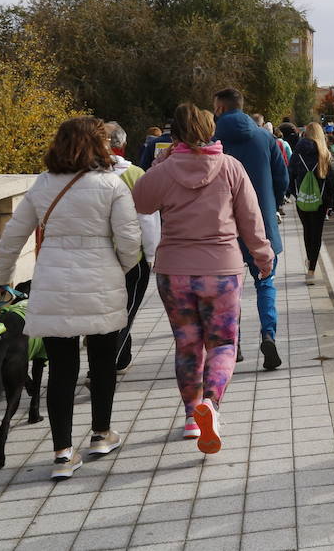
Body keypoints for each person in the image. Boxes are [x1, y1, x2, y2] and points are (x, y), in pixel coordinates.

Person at [0, 117, 141, 479]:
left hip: (53, 279)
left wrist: (1, 280)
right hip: (101, 277)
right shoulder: (111, 185)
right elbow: (131, 240)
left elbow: (13, 236)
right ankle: (102, 434)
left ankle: (62, 453)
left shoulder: (42, 185)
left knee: (61, 369)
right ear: (98, 145)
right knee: (103, 361)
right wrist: (118, 268)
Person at [134, 104, 275, 453]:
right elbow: (251, 220)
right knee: (224, 343)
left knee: (187, 345)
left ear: (175, 134)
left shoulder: (165, 171)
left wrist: (159, 164)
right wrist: (263, 256)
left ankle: (189, 419)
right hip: (222, 270)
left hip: (174, 271)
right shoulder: (230, 168)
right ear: (210, 130)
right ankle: (210, 403)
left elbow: (140, 201)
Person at [211, 89, 289, 371]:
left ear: (219, 108)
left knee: (230, 289)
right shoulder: (265, 137)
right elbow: (282, 177)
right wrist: (274, 203)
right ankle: (268, 334)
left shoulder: (211, 141)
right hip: (262, 223)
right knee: (265, 282)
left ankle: (235, 343)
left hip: (225, 226)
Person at [104, 122, 161, 373]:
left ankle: (122, 356)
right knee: (126, 310)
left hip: (97, 254)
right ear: (123, 145)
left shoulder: (83, 175)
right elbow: (147, 219)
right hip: (131, 254)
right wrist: (151, 254)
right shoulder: (135, 174)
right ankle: (107, 363)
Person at [289, 122, 334, 284]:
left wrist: (293, 193)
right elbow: (331, 181)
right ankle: (312, 270)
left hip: (302, 199)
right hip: (321, 200)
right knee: (316, 233)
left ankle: (310, 260)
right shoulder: (324, 153)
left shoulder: (297, 152)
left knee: (307, 231)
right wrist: (331, 203)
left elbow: (290, 174)